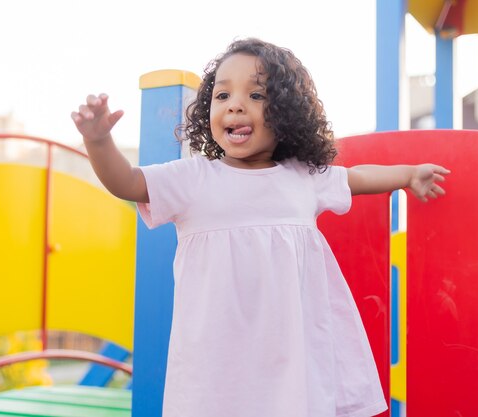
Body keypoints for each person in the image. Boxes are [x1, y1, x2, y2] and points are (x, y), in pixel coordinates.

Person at [71, 38, 449, 417]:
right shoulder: (194, 179)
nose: (235, 104)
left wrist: (408, 175)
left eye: (255, 94)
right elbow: (129, 182)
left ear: (286, 113)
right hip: (215, 360)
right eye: (222, 96)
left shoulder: (302, 179)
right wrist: (99, 141)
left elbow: (357, 177)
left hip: (289, 355)